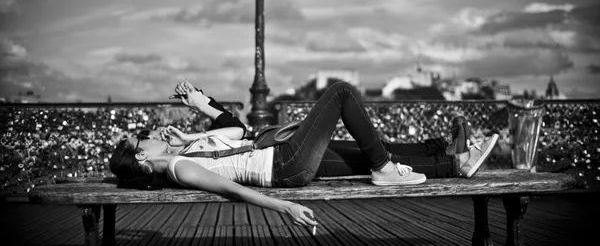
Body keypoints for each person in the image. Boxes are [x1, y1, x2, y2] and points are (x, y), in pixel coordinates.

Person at [110, 81, 498, 229]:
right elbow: (233, 191)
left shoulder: (184, 152)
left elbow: (238, 132)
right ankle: (386, 169)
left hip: (280, 155)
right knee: (341, 93)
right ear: (142, 156)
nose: (152, 133)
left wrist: (200, 112)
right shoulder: (179, 166)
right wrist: (286, 208)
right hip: (283, 164)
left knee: (367, 151)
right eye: (143, 137)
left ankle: (455, 160)